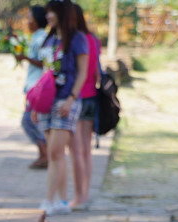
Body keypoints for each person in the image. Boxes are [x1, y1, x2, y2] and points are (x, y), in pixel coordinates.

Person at [34, 0, 88, 216]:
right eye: (47, 13)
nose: (48, 17)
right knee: (57, 154)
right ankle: (63, 201)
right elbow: (45, 73)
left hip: (67, 100)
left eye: (51, 12)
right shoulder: (49, 40)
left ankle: (48, 200)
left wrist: (71, 98)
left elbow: (83, 72)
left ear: (62, 14)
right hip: (47, 100)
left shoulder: (77, 39)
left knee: (55, 151)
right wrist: (35, 103)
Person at [68, 4, 101, 210]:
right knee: (86, 151)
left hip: (77, 98)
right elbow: (97, 73)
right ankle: (85, 194)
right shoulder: (94, 40)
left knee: (76, 152)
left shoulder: (74, 41)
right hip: (92, 99)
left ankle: (78, 197)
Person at [15, 6, 49, 169]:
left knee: (29, 120)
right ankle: (43, 154)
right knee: (31, 120)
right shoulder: (35, 37)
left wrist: (25, 57)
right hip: (32, 86)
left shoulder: (42, 37)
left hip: (37, 87)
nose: (27, 21)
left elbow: (44, 62)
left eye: (29, 18)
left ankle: (45, 153)